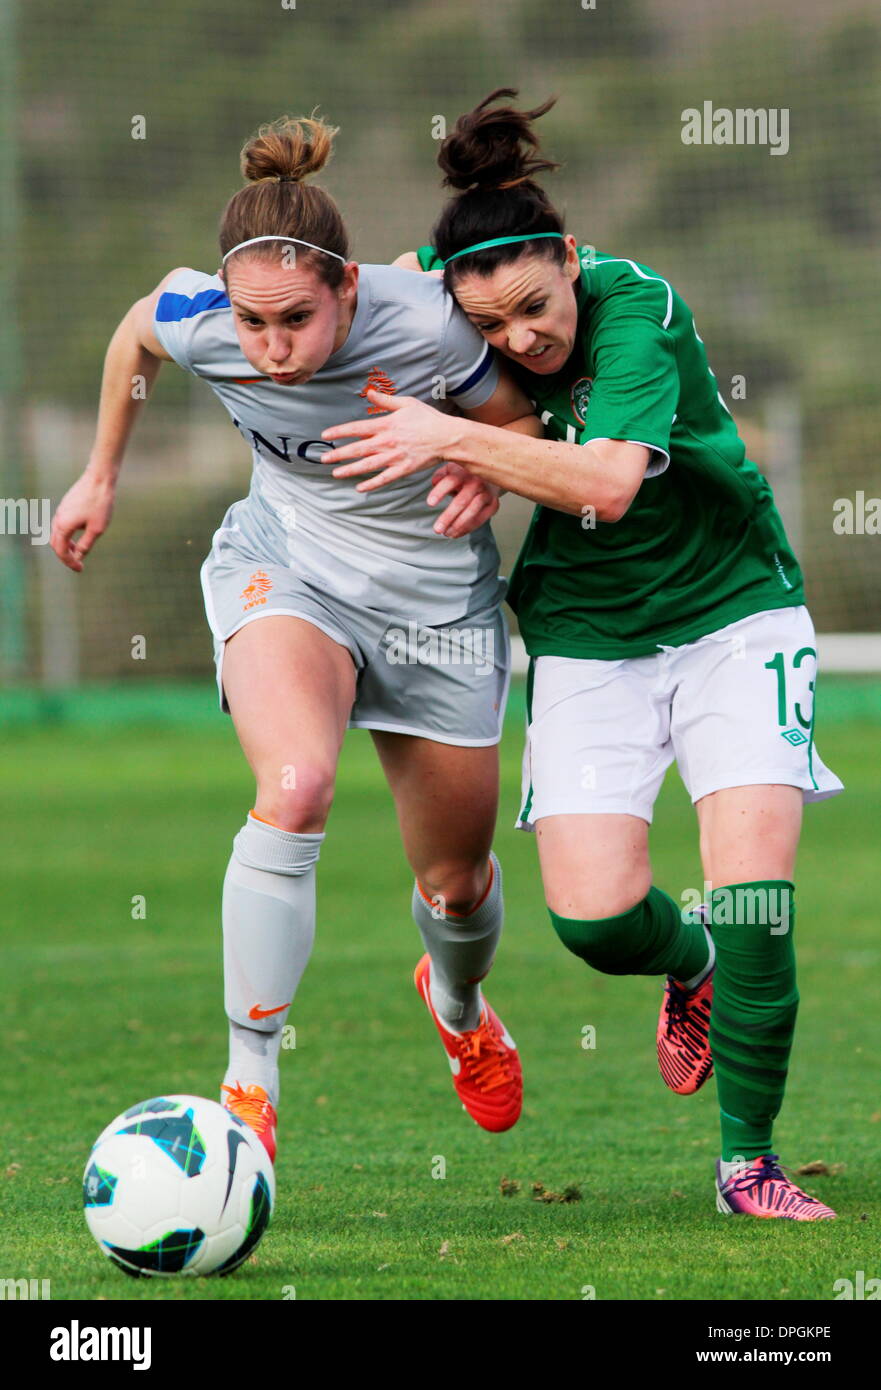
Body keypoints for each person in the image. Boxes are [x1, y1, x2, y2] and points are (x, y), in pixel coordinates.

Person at [320, 89, 844, 1220]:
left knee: (754, 895)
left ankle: (744, 1161)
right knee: (596, 921)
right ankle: (685, 962)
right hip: (587, 634)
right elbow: (333, 300)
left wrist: (458, 436)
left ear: (569, 257)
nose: (518, 338)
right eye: (491, 326)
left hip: (732, 613)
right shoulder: (444, 280)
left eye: (533, 308)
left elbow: (606, 480)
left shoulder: (634, 302)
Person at [50, 112, 543, 1161]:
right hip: (290, 570)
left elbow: (519, 427)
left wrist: (473, 460)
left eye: (295, 321)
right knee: (294, 787)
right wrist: (100, 473)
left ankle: (457, 1007)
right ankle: (248, 1083)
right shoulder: (206, 319)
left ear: (350, 291)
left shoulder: (423, 326)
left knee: (454, 882)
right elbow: (136, 332)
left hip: (436, 613)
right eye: (252, 323)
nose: (269, 348)